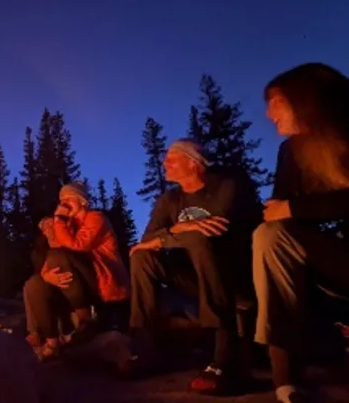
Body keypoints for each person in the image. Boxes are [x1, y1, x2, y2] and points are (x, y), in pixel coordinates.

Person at [127, 139, 261, 395]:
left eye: (171, 159)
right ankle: (144, 350)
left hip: (231, 274)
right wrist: (180, 228)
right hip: (192, 277)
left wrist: (170, 236)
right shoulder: (170, 200)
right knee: (142, 257)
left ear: (193, 163)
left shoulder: (224, 186)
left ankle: (224, 357)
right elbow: (147, 240)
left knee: (200, 239)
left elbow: (217, 230)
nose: (165, 163)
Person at [253, 63, 349, 403]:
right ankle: (287, 378)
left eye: (276, 102)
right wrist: (284, 211)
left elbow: (291, 208)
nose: (269, 114)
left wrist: (295, 209)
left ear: (304, 98)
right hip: (330, 257)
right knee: (269, 235)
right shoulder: (291, 151)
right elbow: (281, 212)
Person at [23, 182, 130, 360]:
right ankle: (51, 341)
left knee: (58, 256)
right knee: (34, 284)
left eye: (68, 198)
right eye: (61, 200)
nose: (64, 203)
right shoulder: (67, 223)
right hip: (78, 280)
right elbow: (51, 250)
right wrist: (46, 275)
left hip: (103, 280)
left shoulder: (96, 218)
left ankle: (84, 318)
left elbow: (77, 245)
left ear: (82, 201)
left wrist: (59, 220)